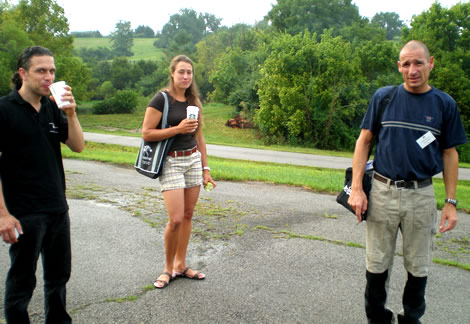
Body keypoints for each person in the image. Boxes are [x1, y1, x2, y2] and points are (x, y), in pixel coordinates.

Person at [348, 40, 467, 324]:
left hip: (421, 195)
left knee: (419, 266)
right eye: (406, 64)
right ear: (399, 66)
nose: (412, 70)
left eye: (418, 63)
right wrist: (356, 189)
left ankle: (411, 319)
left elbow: (450, 154)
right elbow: (364, 142)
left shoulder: (444, 104)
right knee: (376, 264)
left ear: (431, 63)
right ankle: (377, 319)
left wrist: (450, 202)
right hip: (382, 191)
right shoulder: (384, 97)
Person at [0, 46, 84, 323]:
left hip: (57, 207)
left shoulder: (51, 108)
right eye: (41, 71)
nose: (48, 77)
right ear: (23, 73)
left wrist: (71, 114)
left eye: (52, 71)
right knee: (22, 281)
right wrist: (3, 214)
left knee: (59, 277)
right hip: (24, 211)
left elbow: (78, 146)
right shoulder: (4, 109)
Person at [141, 55, 216, 289]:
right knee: (174, 219)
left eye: (189, 73)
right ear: (172, 73)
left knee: (187, 215)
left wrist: (206, 168)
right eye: (181, 72)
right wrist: (177, 129)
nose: (185, 76)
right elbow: (146, 133)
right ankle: (167, 268)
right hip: (171, 162)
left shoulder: (193, 100)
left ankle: (181, 265)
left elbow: (199, 136)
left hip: (192, 160)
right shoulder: (161, 100)